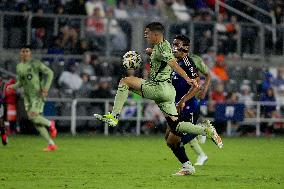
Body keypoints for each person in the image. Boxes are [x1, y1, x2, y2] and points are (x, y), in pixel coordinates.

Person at [94, 22, 223, 174]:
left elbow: (173, 63)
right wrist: (151, 52)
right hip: (168, 92)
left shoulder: (164, 48)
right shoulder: (165, 45)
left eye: (147, 33)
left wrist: (187, 78)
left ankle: (114, 116)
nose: (145, 35)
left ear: (155, 35)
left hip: (158, 88)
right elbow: (168, 56)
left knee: (125, 81)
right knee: (175, 126)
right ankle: (204, 132)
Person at [7, 45, 57, 151]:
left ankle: (50, 123)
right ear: (20, 53)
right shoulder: (19, 66)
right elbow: (20, 82)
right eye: (23, 51)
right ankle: (51, 144)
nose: (25, 53)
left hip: (38, 94)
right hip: (27, 96)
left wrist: (45, 89)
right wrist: (12, 86)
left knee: (32, 116)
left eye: (27, 51)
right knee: (35, 122)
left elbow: (50, 73)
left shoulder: (36, 64)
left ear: (30, 53)